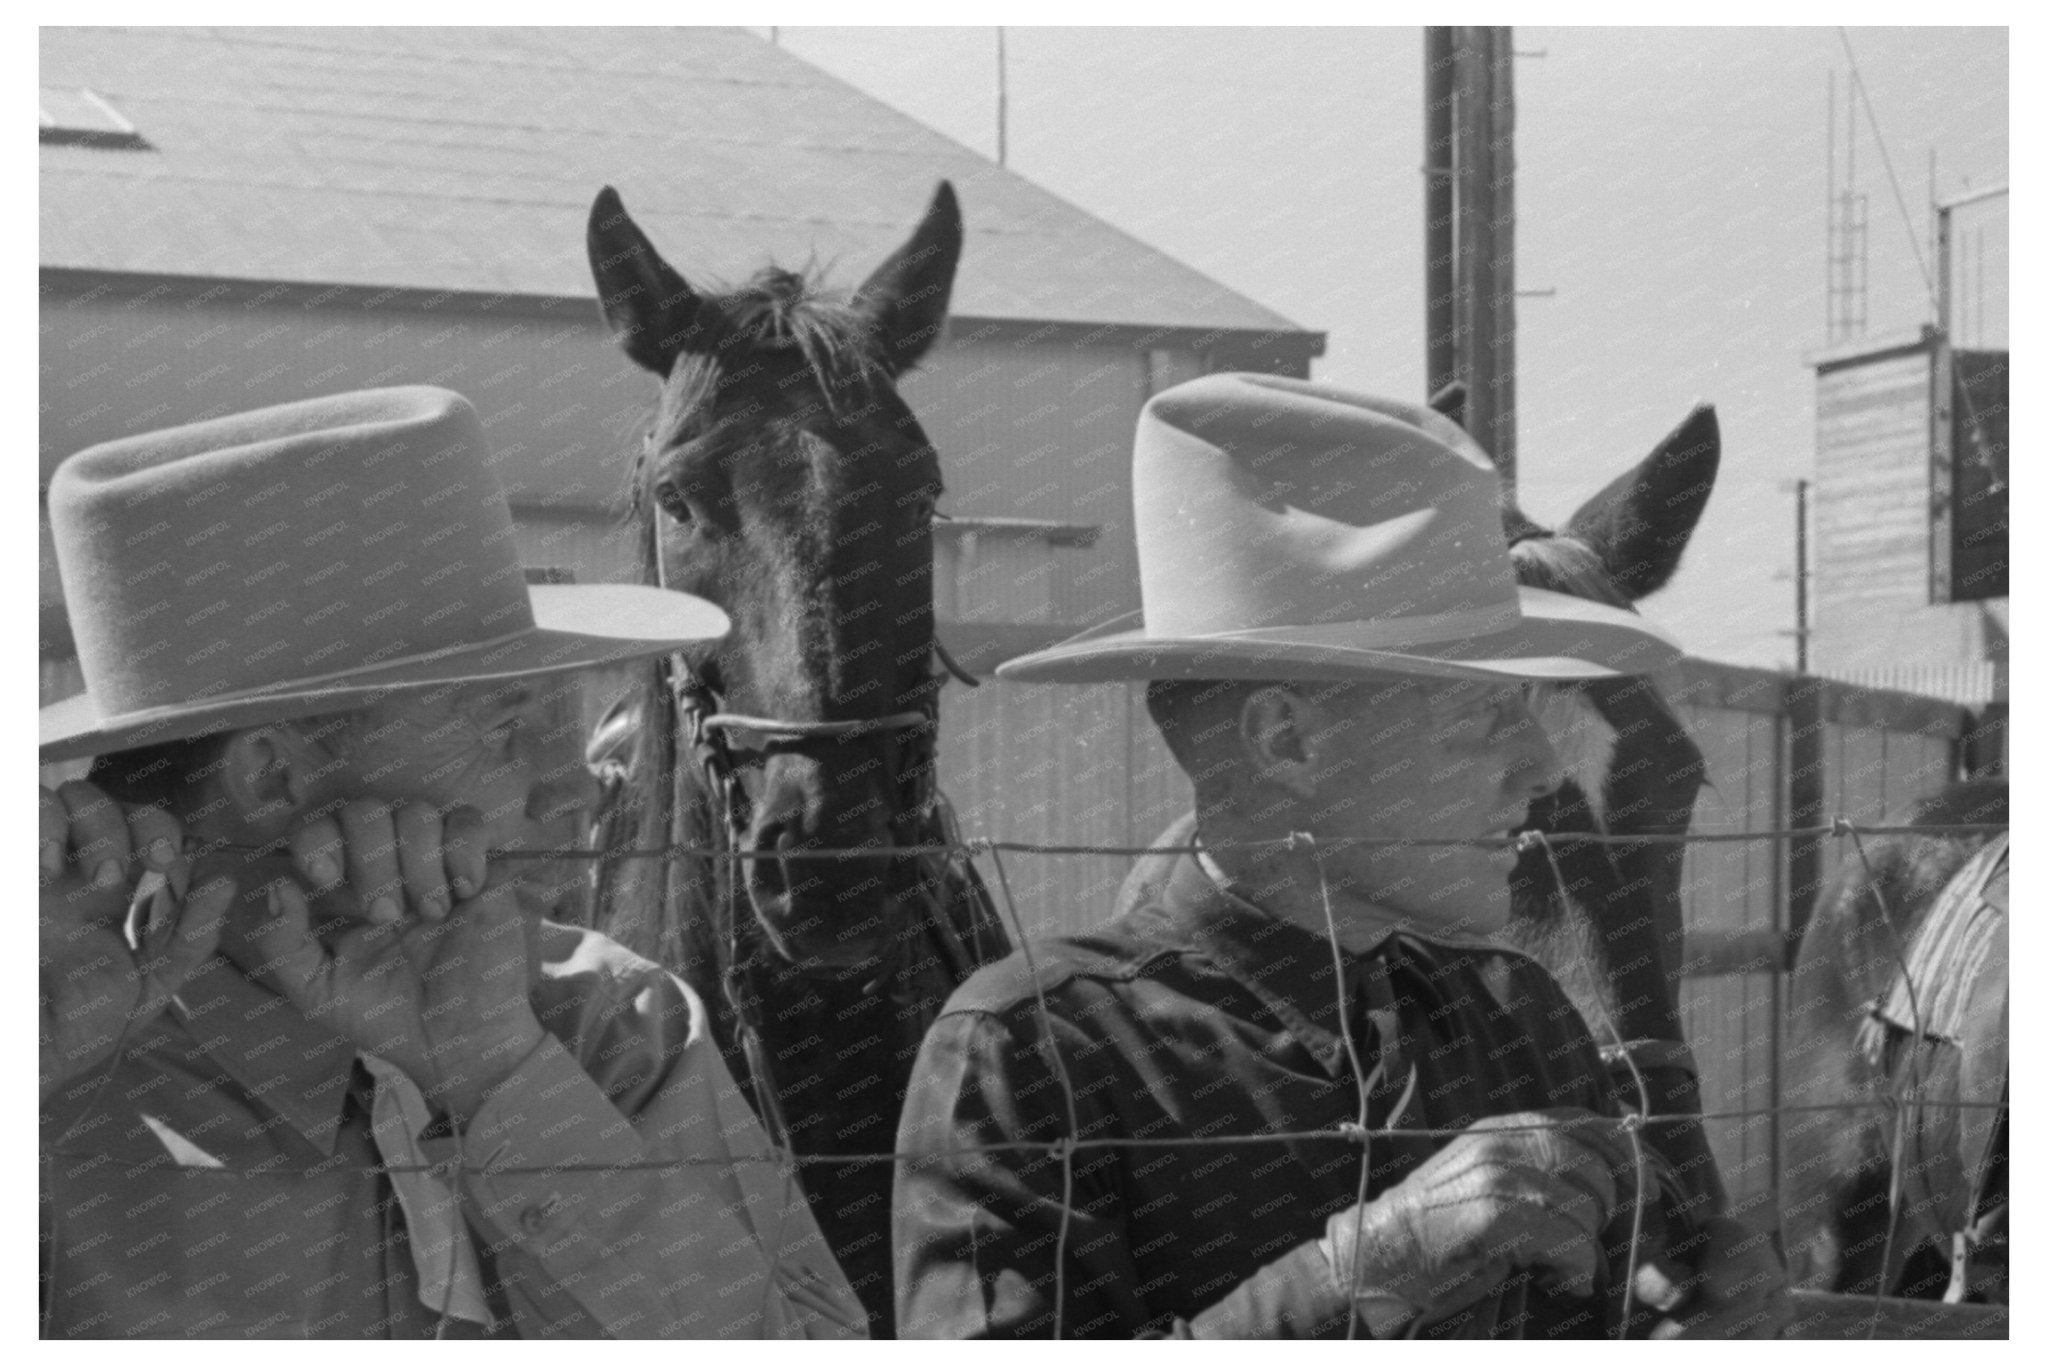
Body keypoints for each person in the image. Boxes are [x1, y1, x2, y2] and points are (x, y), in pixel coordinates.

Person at [891, 374, 1787, 1339]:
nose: (1537, 766)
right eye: (1482, 716)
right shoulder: (1028, 1059)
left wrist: (1693, 1324)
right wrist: (1364, 1266)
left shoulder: (1525, 1020)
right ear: (1286, 742)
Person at [39, 387, 867, 1339]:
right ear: (271, 775)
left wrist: (503, 1079)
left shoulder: (604, 1022)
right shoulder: (54, 1070)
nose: (577, 791)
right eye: (508, 726)